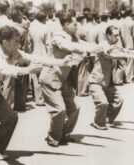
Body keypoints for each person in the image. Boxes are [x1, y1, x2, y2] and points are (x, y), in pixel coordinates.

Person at [0, 26, 73, 165]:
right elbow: (3, 68)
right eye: (16, 41)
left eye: (19, 42)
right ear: (5, 41)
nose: (19, 45)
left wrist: (61, 62)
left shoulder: (14, 51)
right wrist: (27, 70)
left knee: (11, 118)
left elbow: (34, 57)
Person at [39, 13, 105, 147]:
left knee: (74, 109)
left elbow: (84, 44)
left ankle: (63, 134)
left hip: (63, 80)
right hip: (51, 79)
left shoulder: (73, 37)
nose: (77, 26)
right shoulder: (58, 36)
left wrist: (99, 47)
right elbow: (68, 46)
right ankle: (52, 138)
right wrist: (87, 50)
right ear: (65, 24)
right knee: (59, 110)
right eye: (74, 24)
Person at [89, 25, 134, 130]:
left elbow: (126, 51)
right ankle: (98, 122)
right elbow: (112, 55)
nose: (117, 38)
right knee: (102, 102)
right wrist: (133, 56)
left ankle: (108, 119)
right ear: (108, 36)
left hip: (107, 82)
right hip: (96, 81)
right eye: (115, 35)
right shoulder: (102, 46)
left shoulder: (115, 46)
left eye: (118, 35)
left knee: (118, 100)